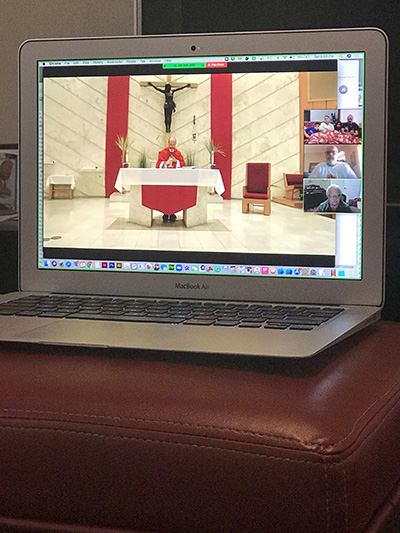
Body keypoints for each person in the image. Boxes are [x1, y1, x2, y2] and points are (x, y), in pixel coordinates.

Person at [156, 137, 186, 222]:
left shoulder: (178, 153)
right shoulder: (163, 152)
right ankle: (165, 213)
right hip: (165, 178)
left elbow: (183, 164)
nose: (172, 146)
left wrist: (176, 161)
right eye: (170, 144)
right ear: (168, 143)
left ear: (175, 144)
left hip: (175, 178)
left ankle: (173, 213)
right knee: (165, 195)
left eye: (173, 144)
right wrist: (165, 163)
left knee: (174, 196)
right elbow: (158, 164)